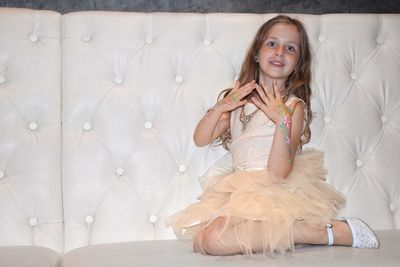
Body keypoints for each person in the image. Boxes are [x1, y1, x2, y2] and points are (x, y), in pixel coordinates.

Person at [165, 15, 379, 256]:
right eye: (272, 44)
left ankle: (325, 231)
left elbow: (278, 172)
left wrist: (282, 123)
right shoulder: (238, 101)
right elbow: (200, 139)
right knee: (201, 241)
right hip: (240, 191)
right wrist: (222, 107)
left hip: (274, 190)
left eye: (290, 48)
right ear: (257, 53)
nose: (279, 52)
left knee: (214, 242)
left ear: (298, 62)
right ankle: (300, 230)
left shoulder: (292, 107)